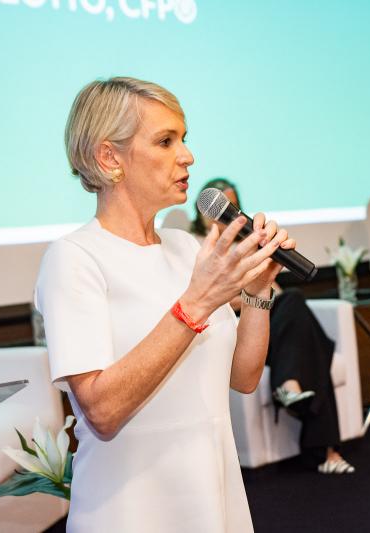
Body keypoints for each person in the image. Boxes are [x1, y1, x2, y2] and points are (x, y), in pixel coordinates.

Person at [35, 77, 296, 532]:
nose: (188, 155)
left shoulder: (186, 247)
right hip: (130, 510)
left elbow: (243, 377)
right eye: (165, 141)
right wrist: (195, 304)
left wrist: (257, 291)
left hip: (214, 499)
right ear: (109, 157)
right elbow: (102, 412)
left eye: (184, 138)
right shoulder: (74, 258)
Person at [191, 178, 355, 474]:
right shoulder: (194, 246)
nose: (225, 214)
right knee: (313, 339)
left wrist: (254, 289)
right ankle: (327, 449)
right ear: (202, 212)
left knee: (294, 307)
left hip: (266, 320)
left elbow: (272, 289)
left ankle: (290, 386)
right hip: (232, 329)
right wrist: (246, 294)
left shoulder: (247, 243)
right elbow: (206, 299)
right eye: (220, 208)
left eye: (232, 206)